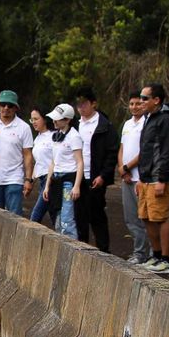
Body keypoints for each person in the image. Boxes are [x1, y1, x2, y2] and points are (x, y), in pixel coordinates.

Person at [137, 82, 169, 274]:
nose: (141, 101)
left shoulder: (166, 120)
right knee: (147, 217)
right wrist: (141, 176)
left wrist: (163, 178)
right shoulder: (149, 118)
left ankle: (166, 259)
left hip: (157, 177)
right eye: (141, 97)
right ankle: (155, 255)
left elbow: (168, 151)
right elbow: (145, 150)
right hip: (146, 177)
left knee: (161, 217)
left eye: (145, 98)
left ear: (157, 100)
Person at [71, 88, 120, 252]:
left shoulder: (105, 126)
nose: (81, 108)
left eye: (84, 104)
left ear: (93, 104)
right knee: (79, 215)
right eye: (78, 105)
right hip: (78, 177)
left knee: (96, 214)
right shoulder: (75, 125)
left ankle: (104, 250)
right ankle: (82, 247)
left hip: (95, 177)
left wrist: (103, 176)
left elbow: (112, 153)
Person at [0, 90, 35, 216]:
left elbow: (27, 155)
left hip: (14, 179)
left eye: (10, 105)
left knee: (15, 216)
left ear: (16, 108)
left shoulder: (24, 127)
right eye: (3, 104)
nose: (6, 108)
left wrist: (28, 179)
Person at [41, 104, 84, 238]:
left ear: (67, 120)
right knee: (57, 217)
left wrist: (76, 186)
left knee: (67, 219)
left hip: (68, 181)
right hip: (56, 179)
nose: (54, 122)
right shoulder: (56, 135)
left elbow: (79, 162)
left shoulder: (74, 137)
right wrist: (47, 185)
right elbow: (53, 162)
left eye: (57, 119)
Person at [118, 91, 151, 264]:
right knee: (130, 218)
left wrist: (127, 167)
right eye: (131, 104)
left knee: (145, 217)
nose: (134, 107)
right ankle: (139, 252)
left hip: (140, 177)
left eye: (138, 104)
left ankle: (152, 253)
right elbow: (122, 148)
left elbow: (144, 151)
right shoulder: (127, 124)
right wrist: (122, 169)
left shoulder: (147, 123)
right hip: (127, 178)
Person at [28, 108, 55, 226]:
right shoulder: (38, 138)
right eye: (32, 119)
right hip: (42, 179)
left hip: (51, 179)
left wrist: (48, 184)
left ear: (44, 119)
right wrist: (31, 181)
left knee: (35, 216)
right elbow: (39, 162)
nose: (34, 122)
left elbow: (55, 160)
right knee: (53, 214)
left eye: (36, 119)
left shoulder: (53, 136)